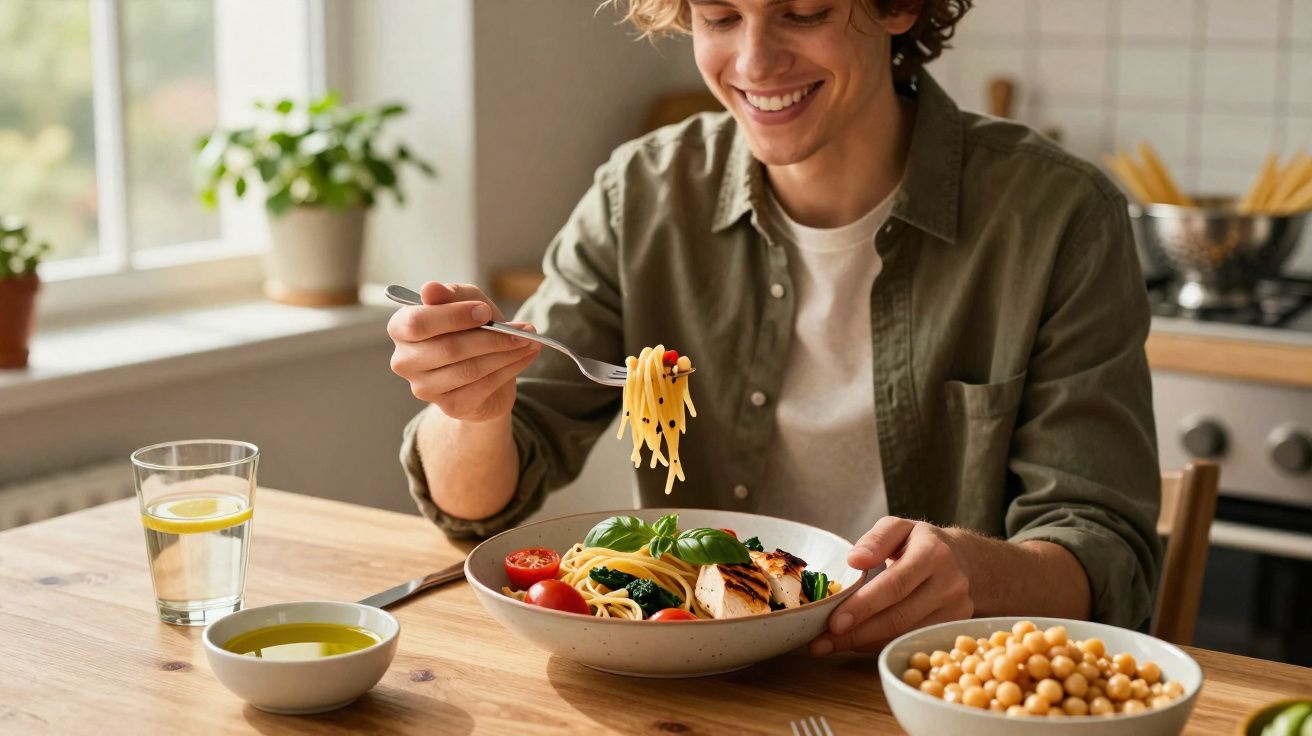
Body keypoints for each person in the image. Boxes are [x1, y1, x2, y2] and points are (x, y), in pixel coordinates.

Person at [387, 0, 1162, 656]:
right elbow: (478, 508)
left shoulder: (1058, 217)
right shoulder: (644, 195)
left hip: (942, 688)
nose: (754, 61)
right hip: (698, 682)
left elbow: (1107, 552)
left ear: (898, 7)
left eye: (803, 12)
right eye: (720, 15)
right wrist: (471, 411)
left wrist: (983, 570)